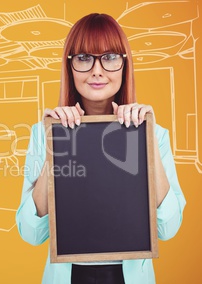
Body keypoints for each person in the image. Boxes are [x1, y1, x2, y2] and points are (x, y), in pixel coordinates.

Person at [15, 13, 186, 284]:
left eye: (109, 57)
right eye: (83, 58)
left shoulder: (155, 135)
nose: (97, 70)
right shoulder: (43, 135)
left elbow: (168, 227)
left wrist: (146, 137)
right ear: (70, 66)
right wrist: (56, 143)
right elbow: (32, 233)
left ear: (124, 65)